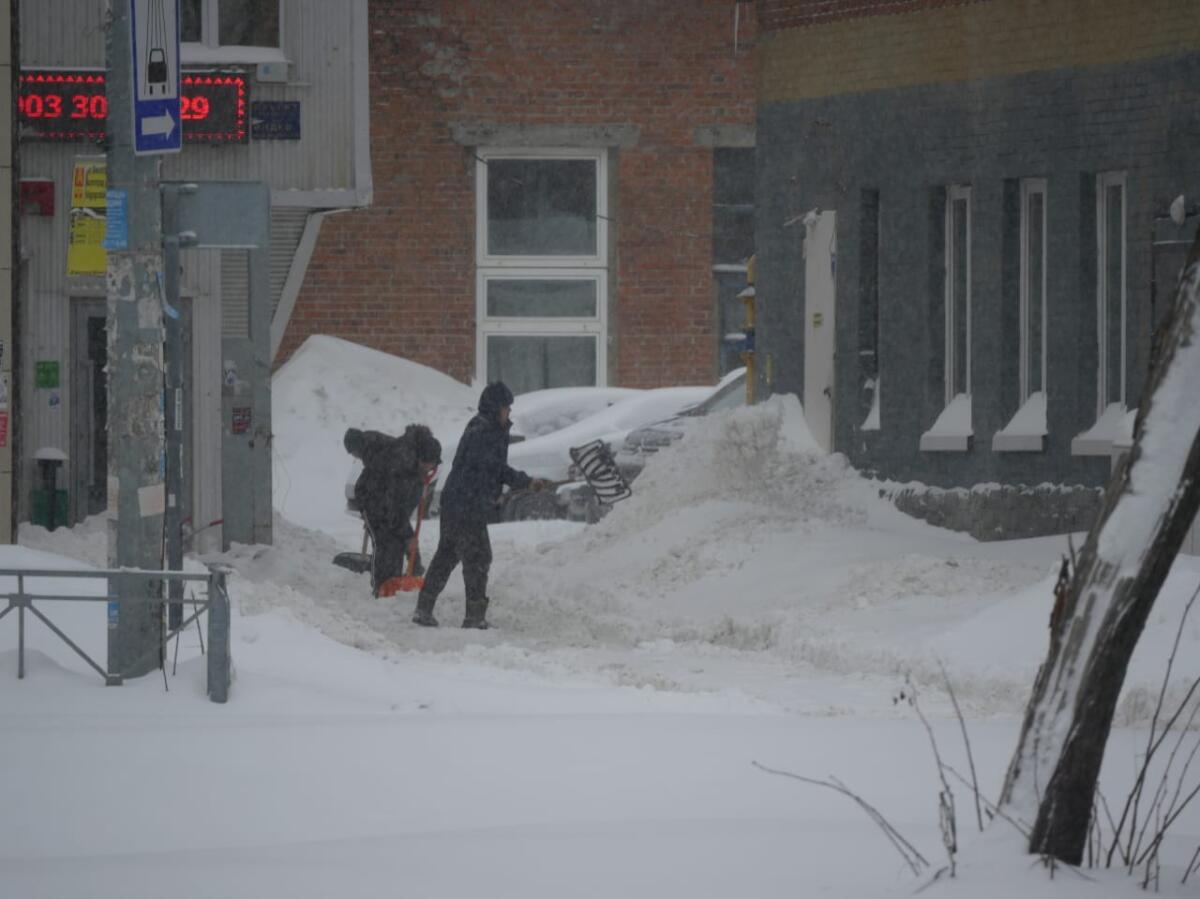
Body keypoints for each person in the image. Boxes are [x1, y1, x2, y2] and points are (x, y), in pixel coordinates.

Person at [413, 381, 545, 628]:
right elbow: (493, 469)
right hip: (467, 503)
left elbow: (490, 468)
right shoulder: (486, 432)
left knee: (448, 553)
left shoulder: (482, 427)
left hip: (456, 500)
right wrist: (524, 481)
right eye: (507, 407)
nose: (509, 412)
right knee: (479, 557)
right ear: (496, 408)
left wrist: (522, 482)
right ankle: (474, 617)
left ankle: (424, 607)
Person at [344, 423, 441, 597]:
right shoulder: (402, 464)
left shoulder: (414, 462)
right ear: (420, 459)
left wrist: (410, 545)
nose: (430, 470)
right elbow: (394, 511)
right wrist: (409, 538)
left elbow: (400, 513)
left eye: (433, 466)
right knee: (387, 542)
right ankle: (383, 588)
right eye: (428, 465)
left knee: (397, 538)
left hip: (385, 501)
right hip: (374, 499)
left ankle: (394, 583)